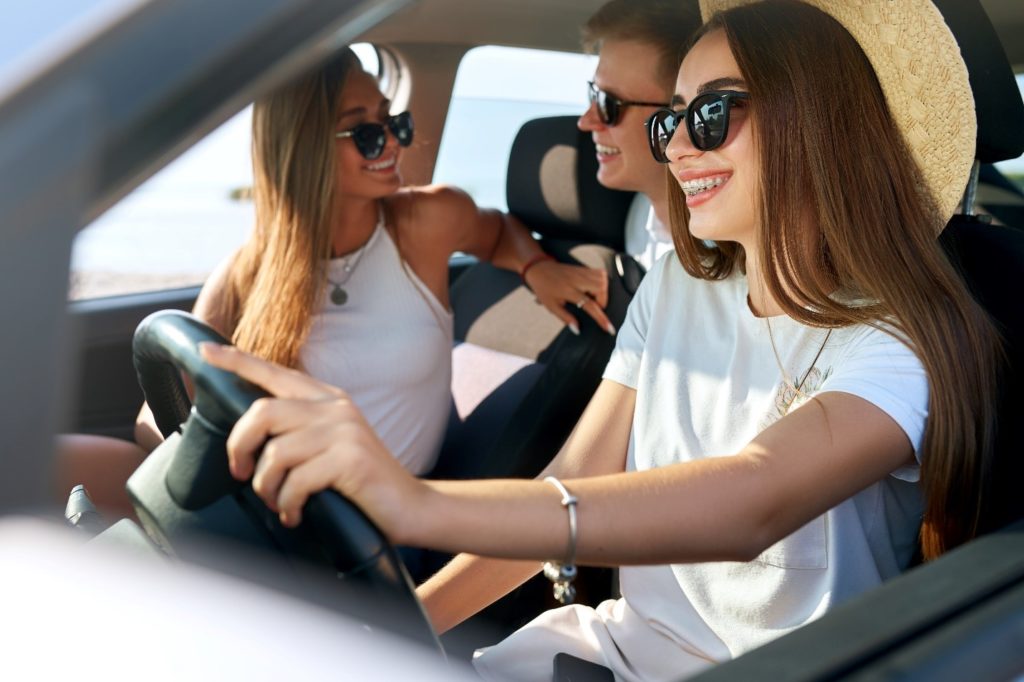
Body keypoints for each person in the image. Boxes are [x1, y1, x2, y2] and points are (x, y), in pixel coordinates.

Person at [202, 1, 1004, 679]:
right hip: (611, 649)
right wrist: (403, 628)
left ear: (817, 123)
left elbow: (754, 498)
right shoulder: (679, 286)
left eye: (712, 115)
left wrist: (413, 505)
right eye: (675, 119)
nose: (679, 145)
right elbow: (574, 476)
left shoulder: (895, 343)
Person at [55, 47, 612, 517]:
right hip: (269, 504)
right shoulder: (249, 270)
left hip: (370, 529)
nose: (393, 144)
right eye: (367, 133)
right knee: (43, 466)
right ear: (306, 148)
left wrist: (538, 268)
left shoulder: (425, 221)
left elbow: (495, 234)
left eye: (393, 122)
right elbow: (163, 412)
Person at [577, 0, 701, 271]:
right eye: (594, 95)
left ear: (681, 115)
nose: (586, 122)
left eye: (609, 103)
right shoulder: (640, 215)